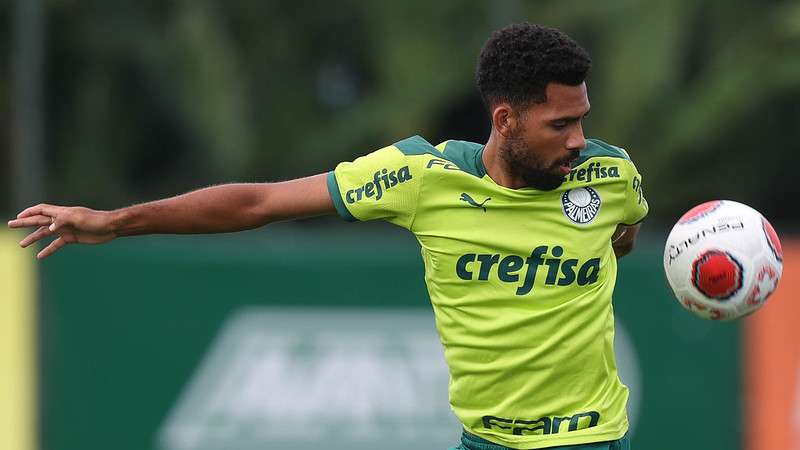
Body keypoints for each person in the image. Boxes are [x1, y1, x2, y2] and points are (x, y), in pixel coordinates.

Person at [9, 23, 646, 450]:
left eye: (582, 120)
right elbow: (257, 202)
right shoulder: (421, 177)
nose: (578, 139)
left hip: (591, 439)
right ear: (505, 120)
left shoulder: (609, 174)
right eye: (560, 124)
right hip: (484, 443)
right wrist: (114, 222)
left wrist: (612, 244)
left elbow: (625, 227)